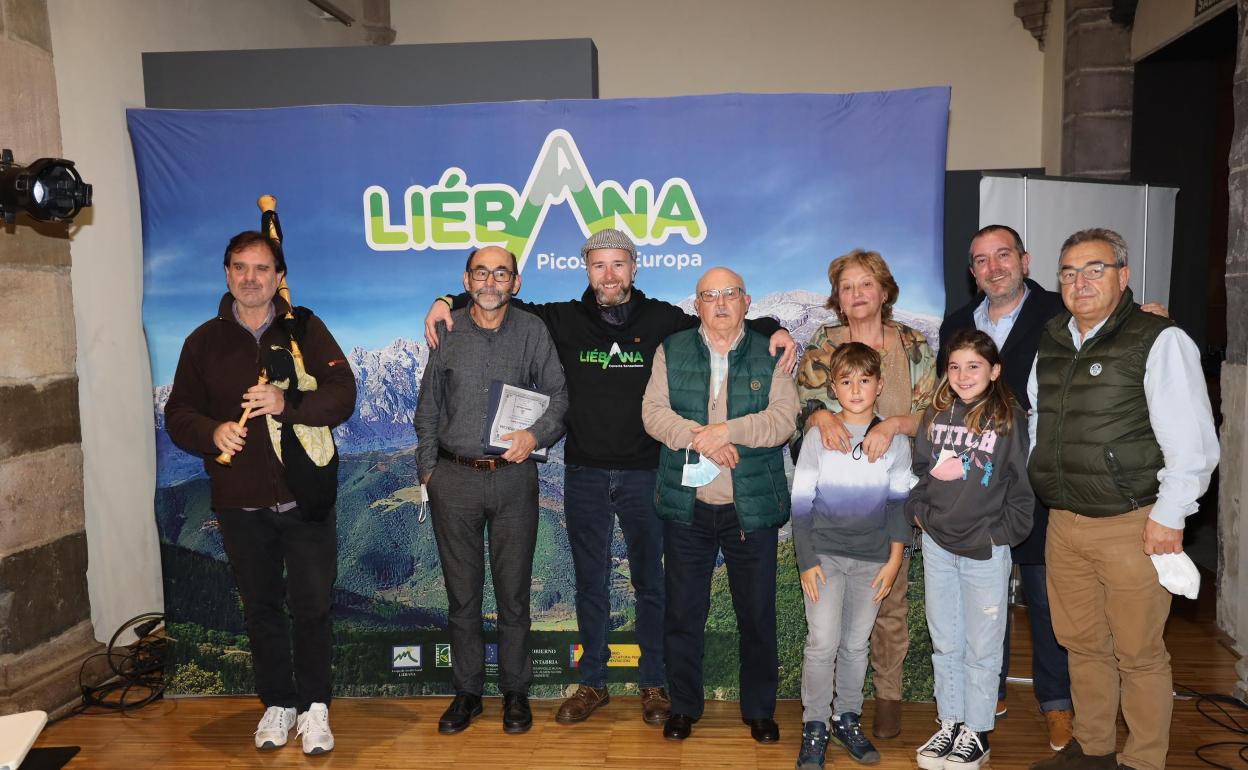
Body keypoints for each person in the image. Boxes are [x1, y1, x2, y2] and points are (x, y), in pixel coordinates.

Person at [422, 228, 795, 726]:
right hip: (585, 472)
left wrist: (773, 327)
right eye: (599, 265)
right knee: (590, 583)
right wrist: (445, 300)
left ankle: (654, 683)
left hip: (648, 473)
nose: (609, 275)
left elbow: (721, 318)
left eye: (619, 264)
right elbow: (496, 295)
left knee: (651, 584)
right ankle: (592, 681)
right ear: (587, 270)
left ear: (634, 268)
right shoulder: (559, 319)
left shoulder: (662, 319)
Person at [1027, 228, 1219, 770]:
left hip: (1133, 523)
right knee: (1082, 644)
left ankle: (1143, 761)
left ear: (1123, 276)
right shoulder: (1052, 339)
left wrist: (1170, 516)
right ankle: (1093, 749)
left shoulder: (1157, 338)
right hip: (1065, 522)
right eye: (1068, 272)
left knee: (1137, 653)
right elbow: (1041, 420)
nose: (1080, 282)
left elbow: (1194, 442)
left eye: (1094, 269)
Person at [165, 230, 356, 755]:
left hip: (306, 496)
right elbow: (178, 414)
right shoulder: (202, 342)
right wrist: (212, 433)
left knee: (313, 606)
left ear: (278, 277)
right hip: (239, 500)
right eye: (240, 268)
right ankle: (279, 703)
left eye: (262, 269)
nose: (251, 278)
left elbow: (343, 396)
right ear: (227, 273)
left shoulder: (305, 330)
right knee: (262, 607)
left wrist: (285, 400)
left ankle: (315, 707)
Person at [414, 245, 569, 735]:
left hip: (513, 478)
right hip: (453, 478)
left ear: (515, 283)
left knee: (513, 594)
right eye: (481, 272)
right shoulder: (447, 332)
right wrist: (427, 473)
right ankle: (467, 692)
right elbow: (428, 410)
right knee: (462, 596)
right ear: (467, 279)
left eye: (501, 273)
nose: (490, 282)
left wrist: (535, 436)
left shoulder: (533, 332)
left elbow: (559, 398)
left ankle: (516, 692)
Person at [641, 266, 798, 743]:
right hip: (688, 506)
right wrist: (702, 440)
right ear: (697, 305)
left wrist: (728, 432)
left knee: (756, 614)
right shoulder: (672, 350)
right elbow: (653, 414)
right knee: (683, 613)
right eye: (710, 295)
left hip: (750, 508)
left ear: (747, 302)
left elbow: (783, 419)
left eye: (730, 293)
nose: (721, 303)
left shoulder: (772, 352)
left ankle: (759, 710)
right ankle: (684, 706)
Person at [938, 224, 1073, 749]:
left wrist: (1149, 312)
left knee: (1042, 595)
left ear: (1025, 259)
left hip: (1035, 478)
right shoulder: (956, 324)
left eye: (1003, 256)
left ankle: (1056, 701)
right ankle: (985, 692)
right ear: (971, 273)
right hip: (971, 489)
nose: (993, 268)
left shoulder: (1060, 312)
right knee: (980, 598)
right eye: (981, 260)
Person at [795, 248, 937, 739]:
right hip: (834, 501)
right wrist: (821, 415)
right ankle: (824, 711)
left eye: (865, 285)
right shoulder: (822, 341)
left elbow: (935, 414)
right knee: (831, 626)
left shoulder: (913, 344)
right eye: (847, 287)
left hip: (892, 488)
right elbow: (801, 402)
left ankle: (888, 695)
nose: (856, 295)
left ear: (884, 291)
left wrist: (895, 424)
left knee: (889, 599)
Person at [908, 329, 1035, 770]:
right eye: (955, 366)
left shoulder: (1008, 418)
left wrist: (998, 535)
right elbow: (921, 470)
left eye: (974, 366)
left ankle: (977, 732)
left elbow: (1022, 486)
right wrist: (919, 512)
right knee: (945, 640)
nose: (963, 375)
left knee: (982, 645)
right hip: (938, 545)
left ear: (995, 370)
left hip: (984, 549)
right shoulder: (936, 413)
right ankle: (951, 722)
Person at [791, 342, 914, 770]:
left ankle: (847, 717)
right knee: (822, 643)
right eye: (846, 381)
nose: (856, 389)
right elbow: (802, 505)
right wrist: (806, 560)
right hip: (824, 557)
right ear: (834, 388)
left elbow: (900, 505)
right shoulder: (818, 437)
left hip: (873, 561)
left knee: (857, 645)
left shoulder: (894, 442)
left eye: (865, 380)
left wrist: (895, 559)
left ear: (879, 386)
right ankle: (815, 725)